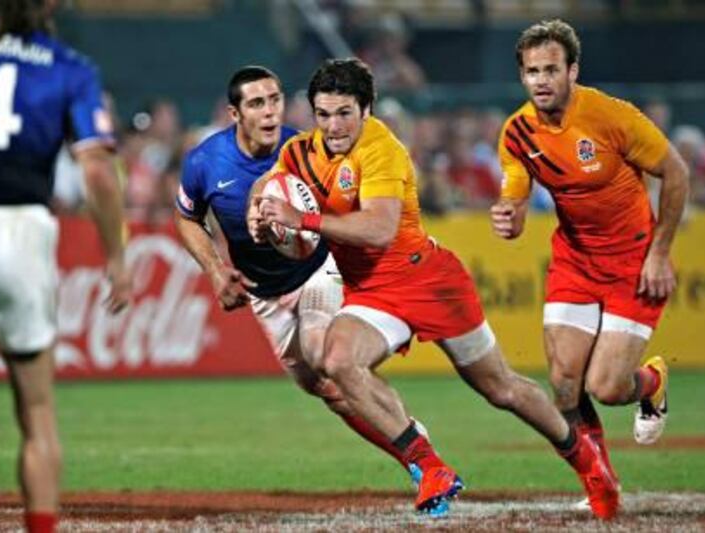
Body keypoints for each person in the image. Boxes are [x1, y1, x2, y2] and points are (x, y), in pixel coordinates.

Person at [253, 58, 618, 519]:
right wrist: (259, 215)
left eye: (344, 112)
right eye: (323, 114)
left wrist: (301, 221)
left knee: (501, 389)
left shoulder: (382, 149)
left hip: (428, 280)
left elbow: (380, 229)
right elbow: (270, 188)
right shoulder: (299, 153)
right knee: (335, 360)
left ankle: (587, 460)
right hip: (372, 290)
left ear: (367, 109)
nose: (333, 125)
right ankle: (428, 467)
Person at [0, 1, 132, 532]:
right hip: (26, 233)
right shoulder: (70, 66)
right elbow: (99, 174)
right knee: (37, 411)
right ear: (50, 6)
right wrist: (116, 255)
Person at [173, 66, 428, 496]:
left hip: (320, 271)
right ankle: (414, 442)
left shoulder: (306, 149)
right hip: (265, 293)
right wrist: (216, 271)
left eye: (275, 99)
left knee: (321, 351)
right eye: (257, 103)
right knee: (323, 386)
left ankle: (423, 460)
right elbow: (186, 219)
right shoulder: (205, 162)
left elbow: (354, 200)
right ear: (235, 114)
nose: (270, 111)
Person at [490, 18, 688, 500]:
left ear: (573, 70)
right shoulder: (517, 132)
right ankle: (599, 479)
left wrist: (660, 252)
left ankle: (651, 382)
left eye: (551, 69)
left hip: (633, 262)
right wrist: (510, 215)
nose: (541, 80)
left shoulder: (611, 117)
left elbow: (675, 172)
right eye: (532, 71)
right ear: (522, 76)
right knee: (562, 382)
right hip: (576, 260)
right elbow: (515, 187)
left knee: (607, 387)